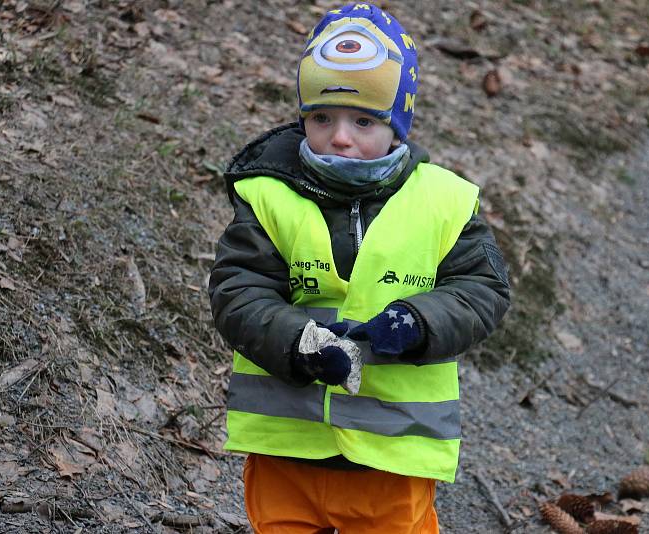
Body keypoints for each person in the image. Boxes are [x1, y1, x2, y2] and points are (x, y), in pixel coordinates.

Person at [208, 3, 510, 533]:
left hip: (393, 449)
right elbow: (238, 290)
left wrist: (420, 322)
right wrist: (298, 342)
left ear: (397, 127)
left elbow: (482, 288)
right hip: (289, 446)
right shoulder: (269, 195)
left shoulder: (442, 201)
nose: (340, 137)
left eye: (364, 121)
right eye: (322, 117)